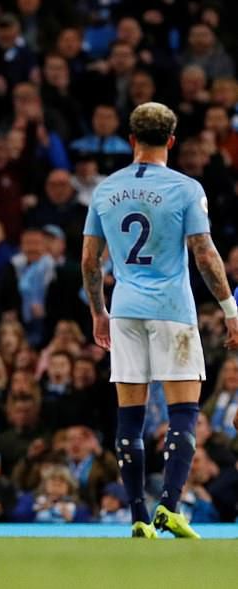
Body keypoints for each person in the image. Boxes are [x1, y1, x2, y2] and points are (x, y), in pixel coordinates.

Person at [81, 102, 238, 539]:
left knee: (129, 415)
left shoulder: (105, 190)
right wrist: (230, 309)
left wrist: (99, 311)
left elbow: (91, 260)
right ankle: (168, 507)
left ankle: (136, 514)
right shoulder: (185, 188)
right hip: (172, 309)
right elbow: (204, 253)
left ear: (131, 139)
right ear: (172, 141)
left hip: (126, 308)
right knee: (183, 410)